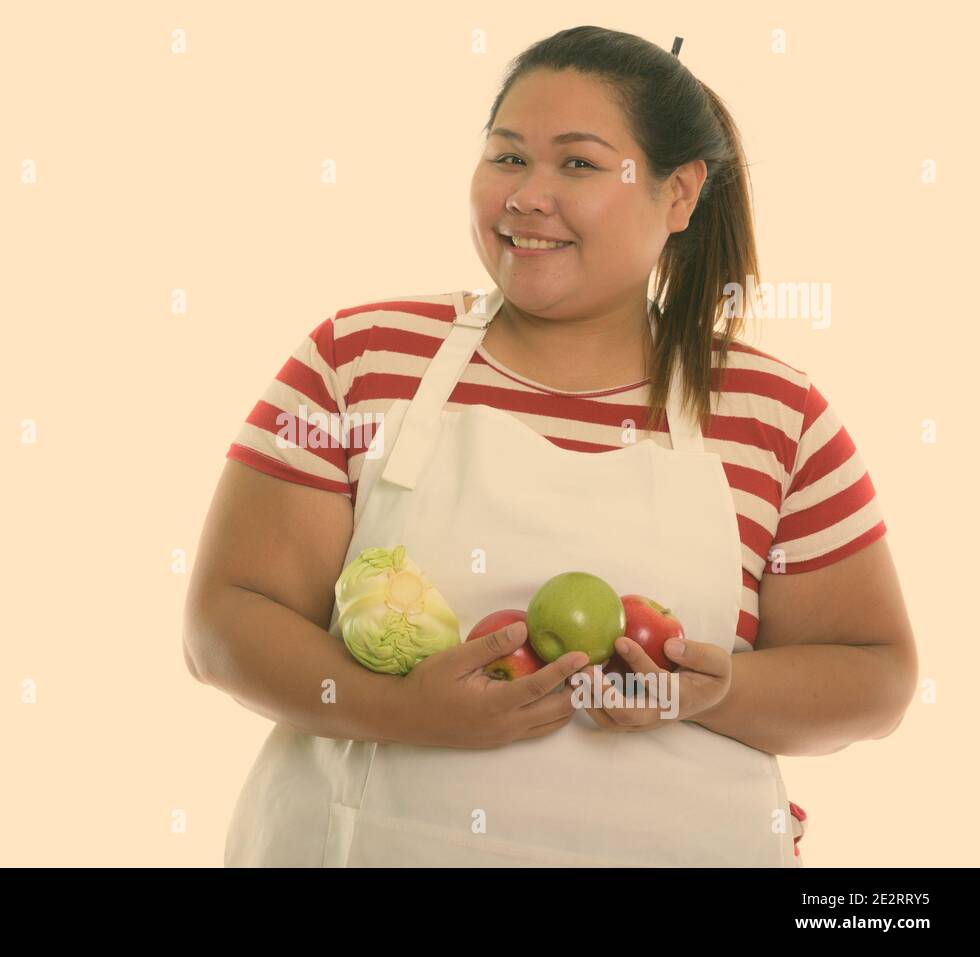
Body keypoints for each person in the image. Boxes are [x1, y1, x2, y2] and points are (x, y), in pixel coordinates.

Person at [183, 25, 917, 867]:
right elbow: (225, 620)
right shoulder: (360, 358)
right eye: (507, 158)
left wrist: (720, 690)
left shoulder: (776, 414)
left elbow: (877, 674)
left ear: (679, 194)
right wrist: (398, 711)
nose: (528, 196)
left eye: (577, 163)